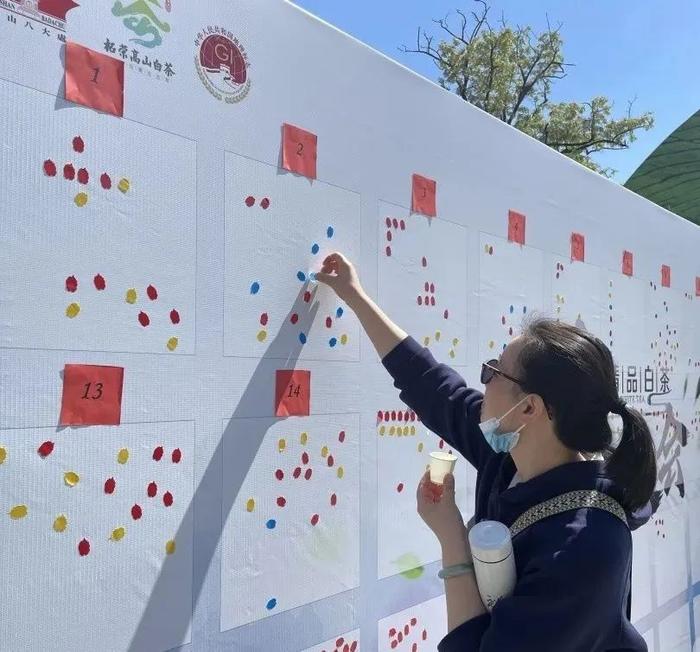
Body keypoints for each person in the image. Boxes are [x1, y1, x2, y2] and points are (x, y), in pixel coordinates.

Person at [316, 252, 656, 652]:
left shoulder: (585, 547)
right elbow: (432, 387)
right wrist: (354, 296)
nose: (484, 381)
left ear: (529, 408)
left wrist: (451, 538)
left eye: (493, 371)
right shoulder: (511, 457)